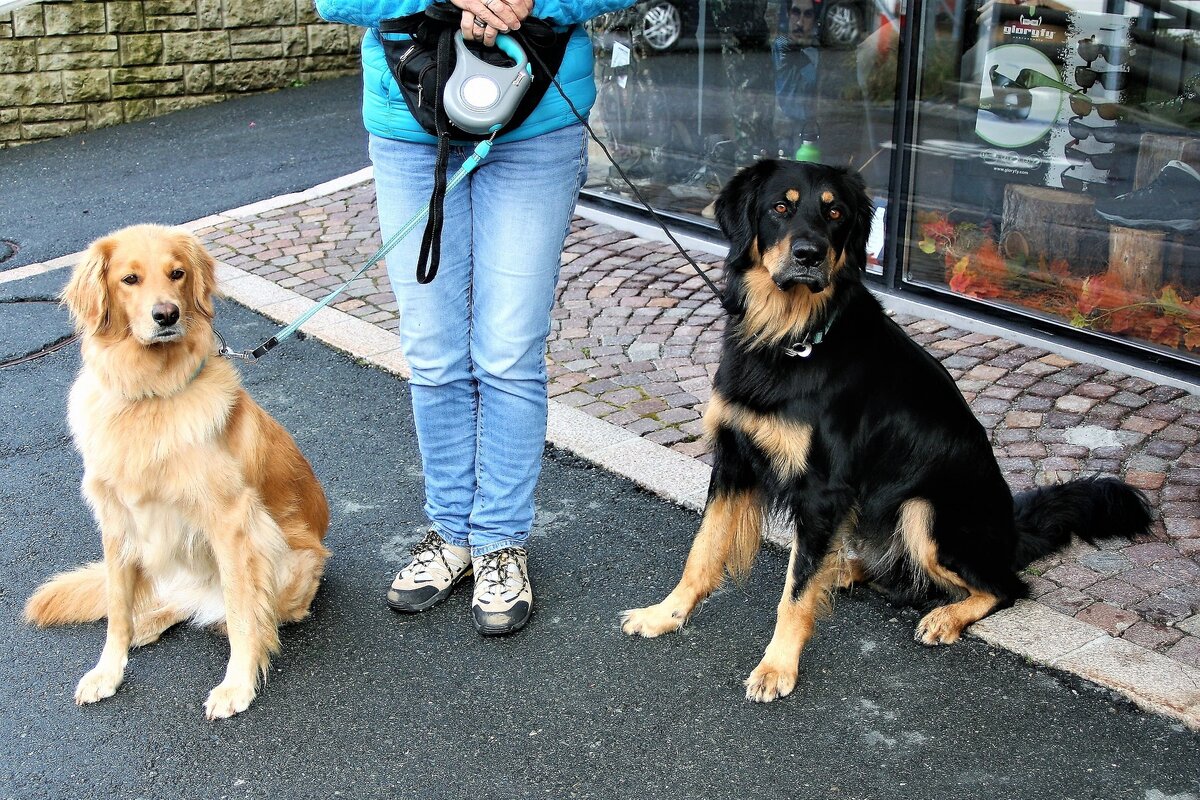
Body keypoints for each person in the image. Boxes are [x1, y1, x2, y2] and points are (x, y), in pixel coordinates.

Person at [315, 0, 633, 635]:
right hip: (412, 120)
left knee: (510, 349)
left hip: (537, 120)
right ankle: (451, 533)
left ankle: (499, 542)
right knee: (432, 348)